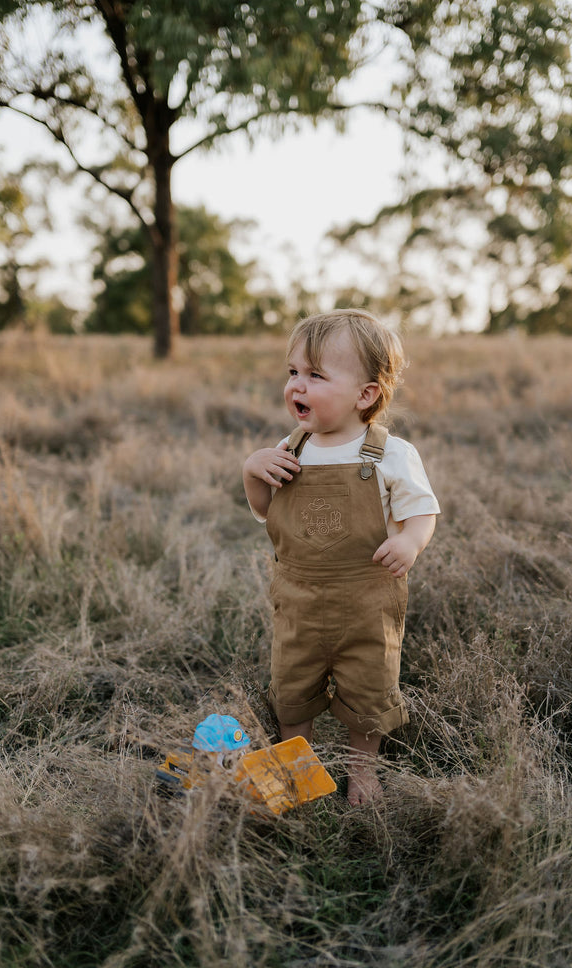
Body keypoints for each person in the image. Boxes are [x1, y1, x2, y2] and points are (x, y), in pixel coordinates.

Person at [243, 309, 439, 805]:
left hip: (368, 601)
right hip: (299, 598)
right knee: (292, 684)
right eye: (292, 373)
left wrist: (410, 542)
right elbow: (266, 511)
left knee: (369, 689)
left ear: (365, 394)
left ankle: (363, 771)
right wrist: (252, 471)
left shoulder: (390, 454)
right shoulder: (290, 449)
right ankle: (296, 764)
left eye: (315, 375)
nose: (297, 386)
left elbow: (423, 510)